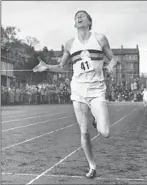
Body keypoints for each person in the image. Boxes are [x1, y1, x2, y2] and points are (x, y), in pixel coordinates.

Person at [33, 10, 117, 178]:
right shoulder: (70, 44)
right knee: (84, 132)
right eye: (76, 16)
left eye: (82, 15)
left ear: (89, 21)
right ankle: (92, 166)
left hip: (96, 90)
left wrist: (111, 65)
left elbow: (113, 58)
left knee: (105, 132)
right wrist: (48, 67)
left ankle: (96, 117)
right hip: (78, 90)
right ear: (74, 23)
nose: (79, 17)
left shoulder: (99, 39)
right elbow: (63, 67)